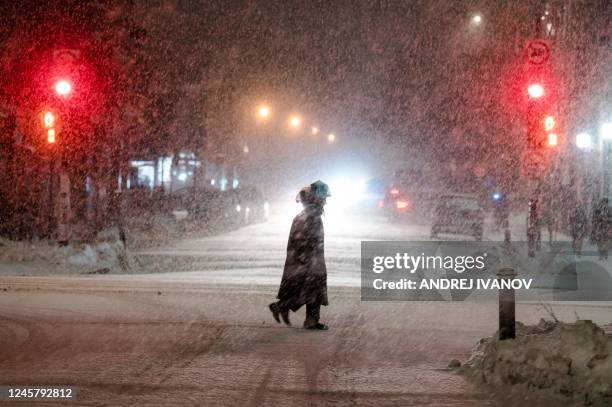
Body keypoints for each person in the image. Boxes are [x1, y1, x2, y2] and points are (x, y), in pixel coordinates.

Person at [269, 180, 331, 330]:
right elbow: (303, 241)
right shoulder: (310, 216)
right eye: (323, 198)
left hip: (308, 259)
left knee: (310, 289)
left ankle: (304, 317)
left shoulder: (308, 214)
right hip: (308, 260)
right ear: (315, 198)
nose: (325, 202)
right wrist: (308, 261)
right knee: (311, 288)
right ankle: (291, 311)